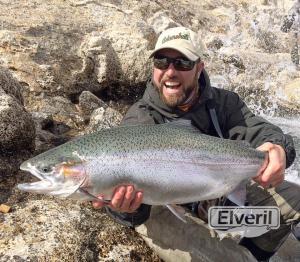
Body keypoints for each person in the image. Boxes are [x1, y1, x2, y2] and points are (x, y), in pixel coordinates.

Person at [93, 27, 299, 261]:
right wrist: (126, 207)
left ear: (199, 68)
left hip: (217, 204)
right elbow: (129, 211)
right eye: (161, 61)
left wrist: (278, 148)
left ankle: (256, 251)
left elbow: (263, 132)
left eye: (182, 63)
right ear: (153, 67)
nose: (170, 71)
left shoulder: (224, 103)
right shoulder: (140, 120)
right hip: (166, 208)